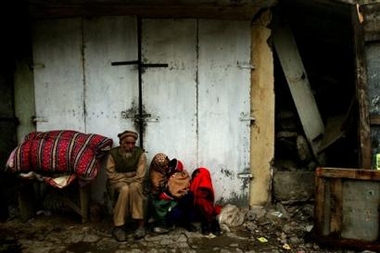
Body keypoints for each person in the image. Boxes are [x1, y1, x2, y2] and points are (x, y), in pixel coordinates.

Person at [106, 130, 147, 241]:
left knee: (135, 187)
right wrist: (127, 175)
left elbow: (140, 176)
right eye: (127, 143)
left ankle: (140, 225)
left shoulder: (140, 154)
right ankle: (118, 227)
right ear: (121, 142)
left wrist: (126, 177)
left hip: (134, 181)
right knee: (124, 189)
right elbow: (111, 175)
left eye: (133, 143)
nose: (130, 146)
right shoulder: (113, 154)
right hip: (116, 183)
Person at [148, 154, 194, 233]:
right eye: (164, 166)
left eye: (167, 164)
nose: (166, 167)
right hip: (162, 199)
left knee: (189, 195)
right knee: (181, 202)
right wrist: (177, 192)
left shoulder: (168, 169)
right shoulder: (155, 178)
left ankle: (186, 222)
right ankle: (166, 225)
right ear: (158, 167)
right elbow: (162, 192)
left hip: (171, 195)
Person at [190, 167, 221, 236]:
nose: (196, 177)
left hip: (206, 203)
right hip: (197, 206)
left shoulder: (204, 179)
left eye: (197, 175)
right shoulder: (194, 182)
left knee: (206, 206)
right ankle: (206, 222)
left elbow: (209, 195)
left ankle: (212, 222)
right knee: (200, 203)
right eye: (195, 176)